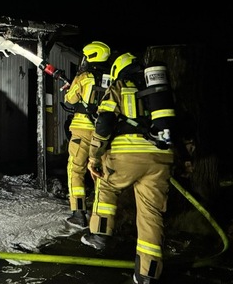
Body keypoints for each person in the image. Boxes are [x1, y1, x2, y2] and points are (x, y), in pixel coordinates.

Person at [80, 52, 178, 284]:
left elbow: (104, 122)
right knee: (151, 215)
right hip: (161, 159)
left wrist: (94, 156)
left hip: (127, 156)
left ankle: (100, 235)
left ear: (117, 70)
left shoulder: (119, 86)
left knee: (105, 186)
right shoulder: (160, 91)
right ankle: (147, 274)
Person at [61, 41, 112, 229]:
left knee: (76, 170)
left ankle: (78, 213)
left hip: (81, 131)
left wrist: (70, 88)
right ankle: (100, 216)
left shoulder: (84, 77)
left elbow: (70, 98)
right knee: (100, 171)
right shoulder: (112, 78)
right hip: (103, 133)